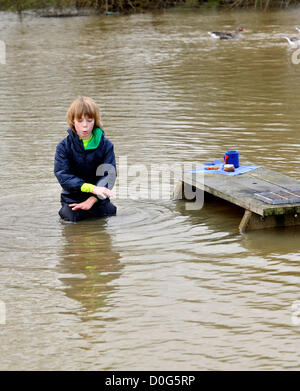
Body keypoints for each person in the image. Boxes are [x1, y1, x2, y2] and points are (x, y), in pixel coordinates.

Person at [54, 96, 117, 222]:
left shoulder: (106, 145)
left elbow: (109, 175)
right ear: (72, 121)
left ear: (95, 121)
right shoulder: (63, 147)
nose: (85, 126)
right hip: (73, 202)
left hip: (98, 200)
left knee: (111, 212)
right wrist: (92, 188)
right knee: (69, 217)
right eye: (80, 121)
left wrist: (93, 198)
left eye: (89, 120)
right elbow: (63, 176)